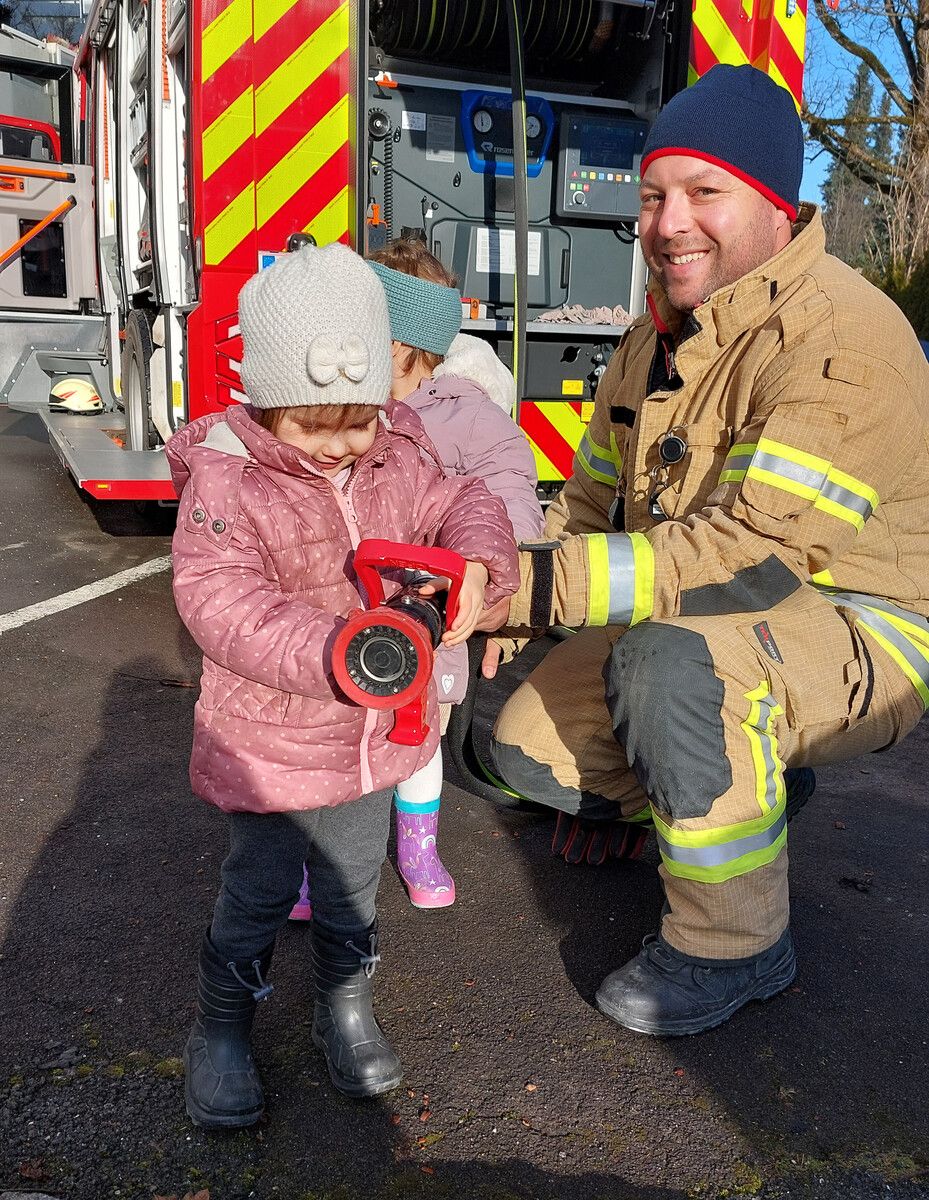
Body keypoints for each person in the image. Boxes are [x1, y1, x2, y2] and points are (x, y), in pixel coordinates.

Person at [482, 64, 929, 1036]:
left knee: (671, 667)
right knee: (508, 755)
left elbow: (756, 553)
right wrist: (507, 601)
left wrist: (528, 590)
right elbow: (591, 501)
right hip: (700, 610)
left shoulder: (843, 339)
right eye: (650, 195)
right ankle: (726, 776)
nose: (665, 221)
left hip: (857, 629)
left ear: (774, 203)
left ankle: (735, 947)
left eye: (702, 192)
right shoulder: (654, 340)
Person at [167, 243, 518, 1129]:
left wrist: (478, 557)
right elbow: (221, 600)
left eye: (357, 422)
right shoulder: (227, 477)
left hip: (372, 736)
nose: (339, 446)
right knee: (257, 889)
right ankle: (221, 1025)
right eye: (313, 427)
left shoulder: (399, 445)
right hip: (272, 742)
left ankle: (343, 1004)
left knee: (354, 883)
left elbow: (460, 499)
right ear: (264, 400)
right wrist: (336, 648)